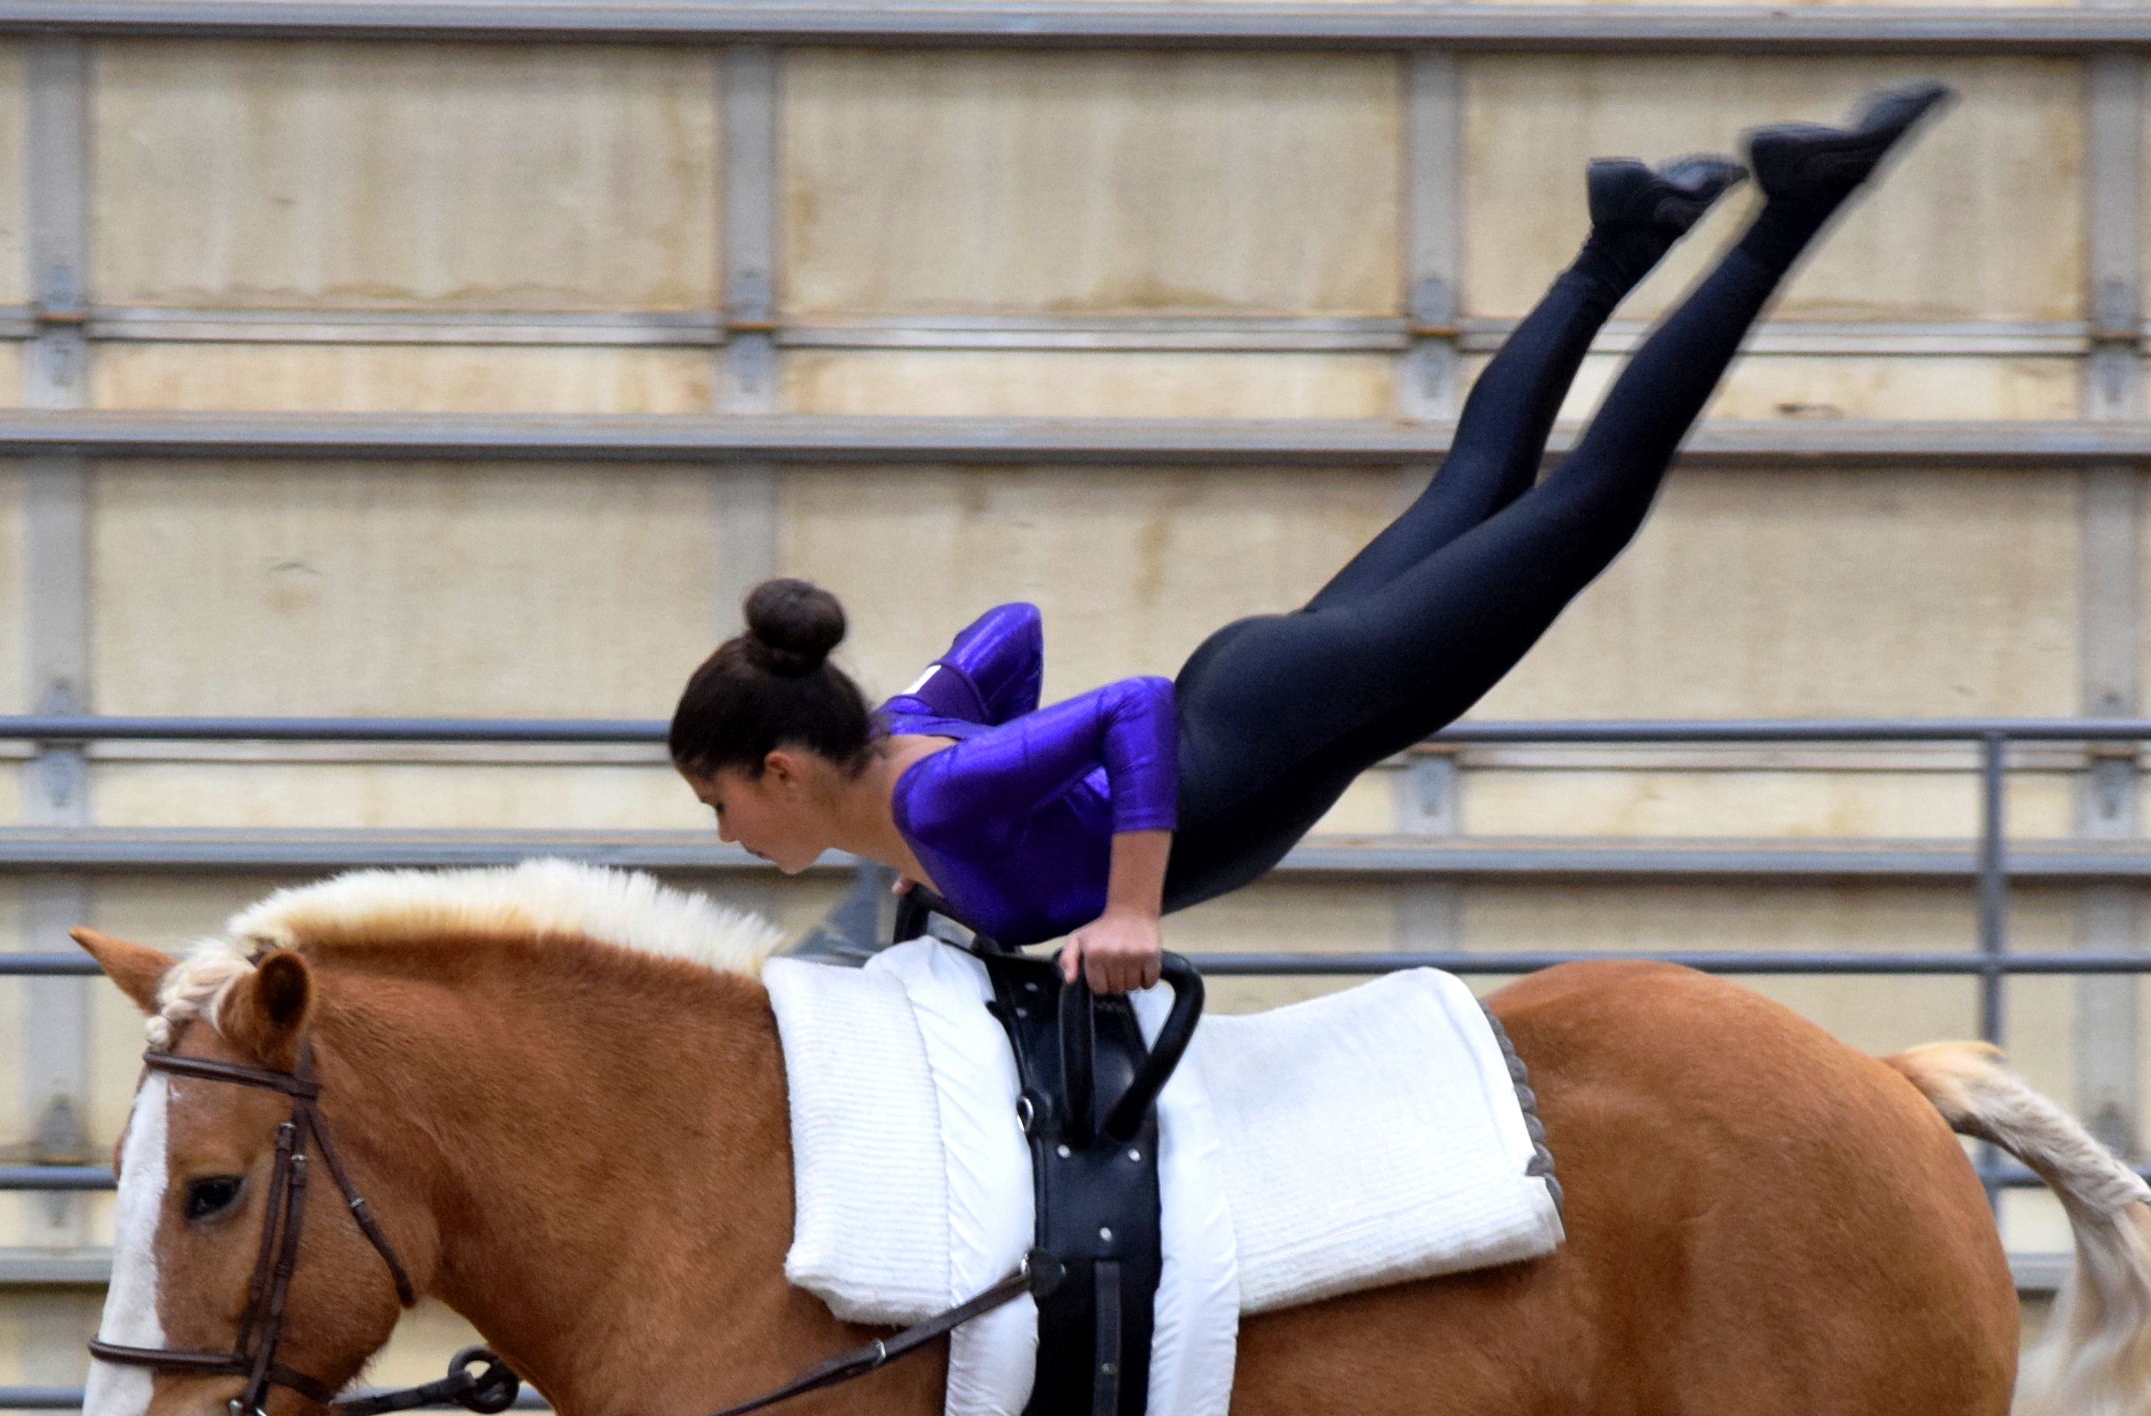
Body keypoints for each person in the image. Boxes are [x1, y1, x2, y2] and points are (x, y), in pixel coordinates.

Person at [670, 84, 1950, 993]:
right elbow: (1009, 629)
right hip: (1267, 691)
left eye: (719, 803)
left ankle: (1788, 208)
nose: (726, 837)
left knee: (1585, 505)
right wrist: (949, 858)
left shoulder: (937, 794)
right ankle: (1620, 236)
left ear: (784, 769)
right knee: (1481, 486)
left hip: (1277, 714)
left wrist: (1120, 907)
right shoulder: (913, 749)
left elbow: (1127, 707)